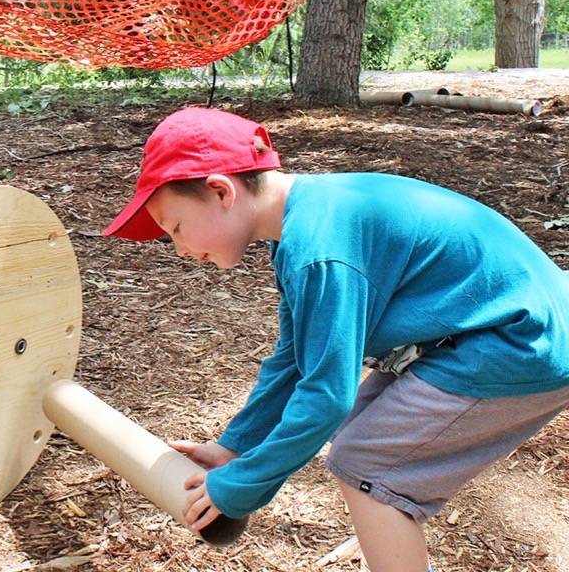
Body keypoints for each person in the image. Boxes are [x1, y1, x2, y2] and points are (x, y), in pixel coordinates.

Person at [104, 107, 569, 572]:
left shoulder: (318, 249)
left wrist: (241, 486)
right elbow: (294, 358)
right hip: (495, 330)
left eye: (176, 229)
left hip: (521, 340)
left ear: (221, 190)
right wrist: (237, 446)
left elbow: (327, 395)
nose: (181, 250)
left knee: (367, 462)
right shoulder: (302, 224)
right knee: (361, 443)